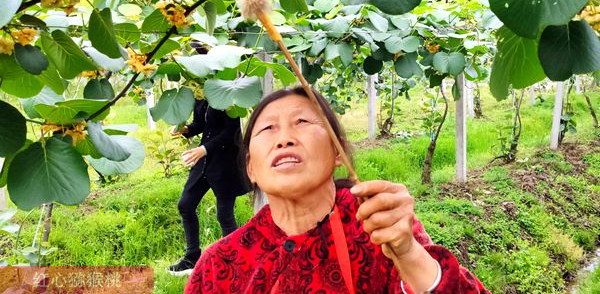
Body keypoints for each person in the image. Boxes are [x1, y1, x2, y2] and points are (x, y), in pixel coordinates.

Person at [184, 87, 490, 293]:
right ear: (250, 167)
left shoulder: (379, 227)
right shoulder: (217, 265)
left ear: (337, 152)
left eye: (302, 121)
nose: (285, 139)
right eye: (268, 129)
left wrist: (409, 253)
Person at [167, 96, 251, 276]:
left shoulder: (226, 95)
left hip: (225, 163)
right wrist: (186, 129)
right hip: (204, 161)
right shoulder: (200, 92)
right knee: (186, 205)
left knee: (224, 215)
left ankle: (235, 263)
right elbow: (201, 123)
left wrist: (203, 149)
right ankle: (192, 257)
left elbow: (232, 131)